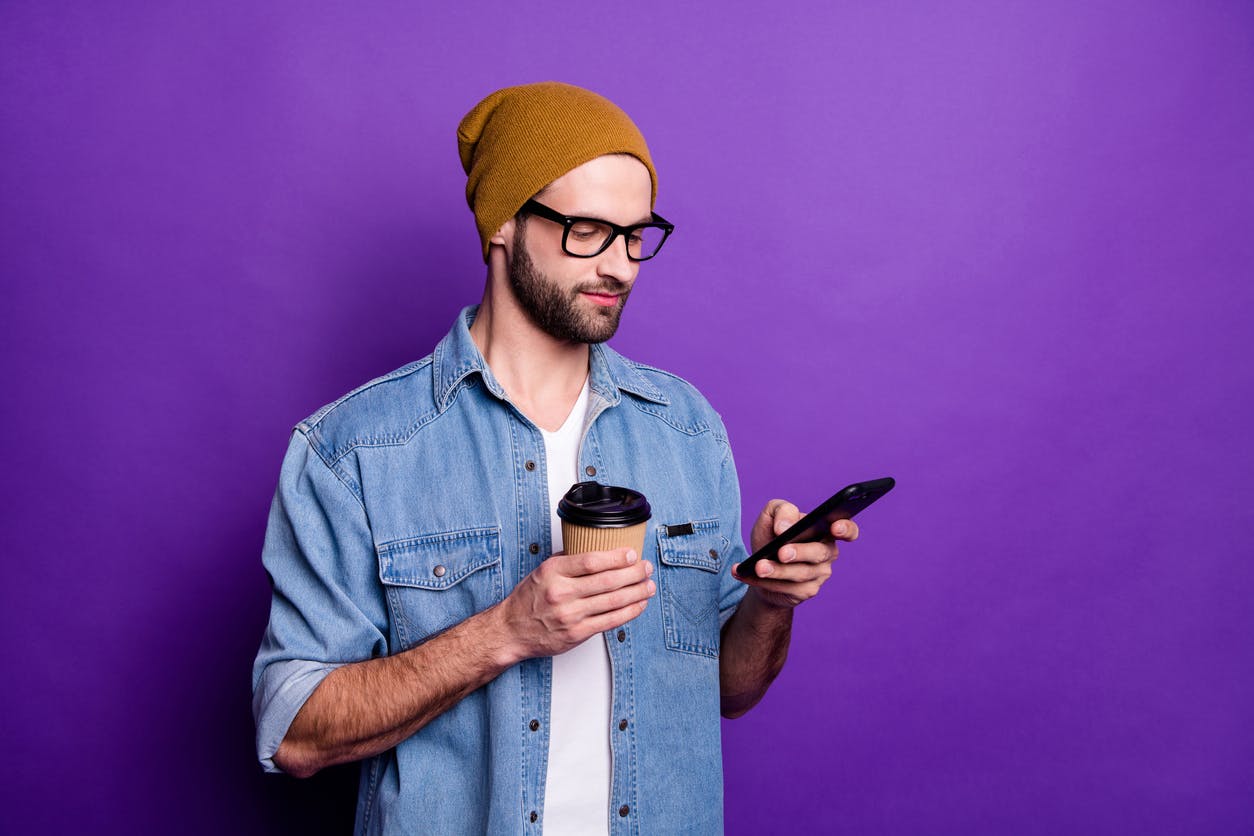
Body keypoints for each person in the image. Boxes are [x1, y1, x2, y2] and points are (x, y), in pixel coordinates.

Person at [251, 81, 859, 835]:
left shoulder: (686, 429)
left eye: (635, 236)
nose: (621, 267)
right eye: (589, 231)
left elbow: (728, 691)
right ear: (503, 222)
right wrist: (506, 631)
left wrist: (769, 602)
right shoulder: (354, 450)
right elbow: (294, 731)